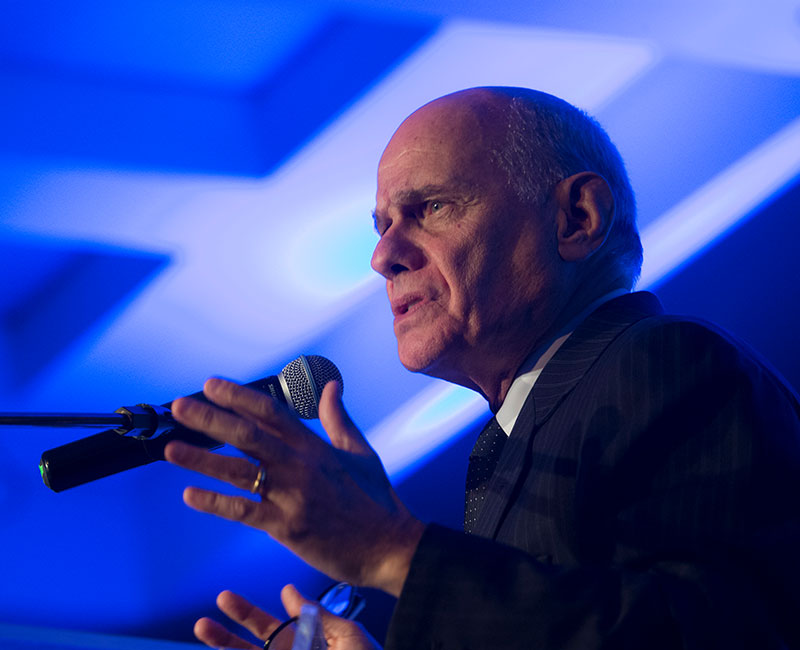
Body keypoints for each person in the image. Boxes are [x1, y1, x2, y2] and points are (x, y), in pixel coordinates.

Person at [164, 87, 800, 649]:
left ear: (577, 219)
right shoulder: (516, 432)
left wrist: (391, 549)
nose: (383, 256)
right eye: (382, 226)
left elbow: (710, 636)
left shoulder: (669, 364)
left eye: (431, 208)